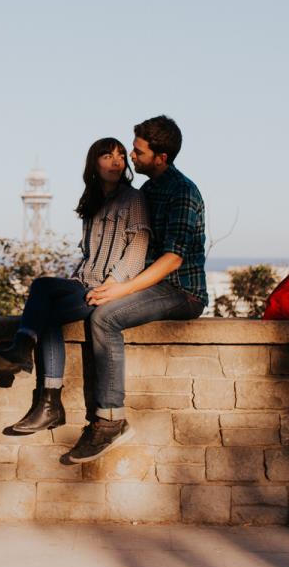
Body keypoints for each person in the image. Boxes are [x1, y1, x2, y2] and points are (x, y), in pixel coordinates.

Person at [63, 114, 207, 463]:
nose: (131, 155)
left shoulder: (182, 192)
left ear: (161, 157)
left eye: (139, 151)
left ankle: (111, 420)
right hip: (149, 285)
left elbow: (173, 259)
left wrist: (120, 291)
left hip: (181, 290)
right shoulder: (146, 191)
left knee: (105, 318)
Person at [0, 137, 150, 436]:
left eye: (121, 156)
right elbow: (89, 256)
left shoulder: (133, 199)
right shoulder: (92, 202)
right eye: (107, 155)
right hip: (83, 282)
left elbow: (138, 247)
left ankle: (48, 402)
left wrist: (114, 285)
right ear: (93, 163)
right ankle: (23, 350)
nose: (115, 161)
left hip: (108, 288)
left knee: (47, 314)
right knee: (43, 286)